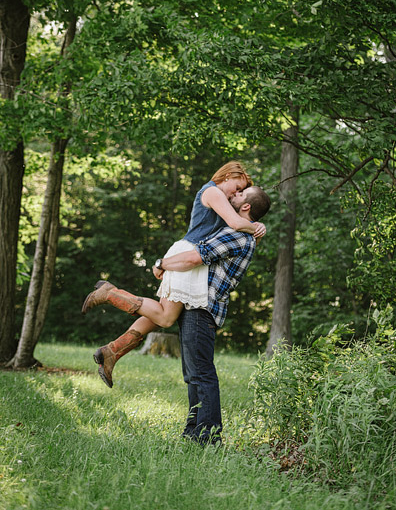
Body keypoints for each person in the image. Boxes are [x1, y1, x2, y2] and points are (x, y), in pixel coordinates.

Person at [82, 161, 266, 387]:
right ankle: (110, 294)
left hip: (190, 255)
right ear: (227, 176)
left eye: (241, 192)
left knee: (158, 316)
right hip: (188, 254)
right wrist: (257, 227)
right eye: (238, 187)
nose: (237, 193)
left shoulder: (222, 197)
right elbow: (237, 223)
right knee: (165, 317)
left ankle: (112, 352)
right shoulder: (213, 191)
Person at [151, 184, 271, 444]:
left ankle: (208, 436)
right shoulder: (238, 231)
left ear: (246, 206)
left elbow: (197, 257)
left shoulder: (236, 235)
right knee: (193, 374)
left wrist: (161, 264)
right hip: (198, 307)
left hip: (202, 308)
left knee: (201, 374)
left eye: (239, 194)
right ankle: (193, 431)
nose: (233, 195)